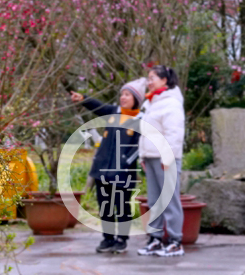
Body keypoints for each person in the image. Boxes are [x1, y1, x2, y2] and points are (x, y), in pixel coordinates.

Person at [71, 78, 146, 254]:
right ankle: (108, 238)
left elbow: (139, 147)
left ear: (136, 99)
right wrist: (83, 98)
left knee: (122, 206)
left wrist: (126, 163)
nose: (123, 97)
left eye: (127, 94)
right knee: (104, 204)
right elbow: (97, 106)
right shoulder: (113, 112)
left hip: (123, 172)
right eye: (122, 94)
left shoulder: (141, 120)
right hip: (102, 168)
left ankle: (122, 238)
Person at [137, 65, 186, 258]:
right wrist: (142, 155)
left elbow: (174, 134)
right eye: (148, 78)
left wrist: (169, 156)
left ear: (164, 80)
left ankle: (175, 242)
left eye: (153, 78)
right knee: (154, 200)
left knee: (170, 200)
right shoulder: (151, 103)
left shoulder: (171, 102)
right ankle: (155, 240)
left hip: (166, 158)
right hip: (151, 158)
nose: (149, 82)